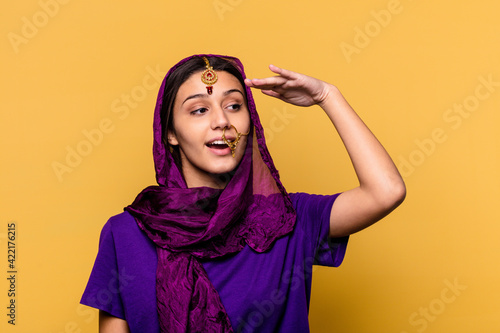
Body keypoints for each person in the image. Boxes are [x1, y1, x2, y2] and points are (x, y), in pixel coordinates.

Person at [81, 54, 406, 333]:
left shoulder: (289, 220)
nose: (222, 121)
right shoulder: (124, 233)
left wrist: (327, 95)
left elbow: (386, 191)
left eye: (234, 106)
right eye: (199, 110)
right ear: (170, 134)